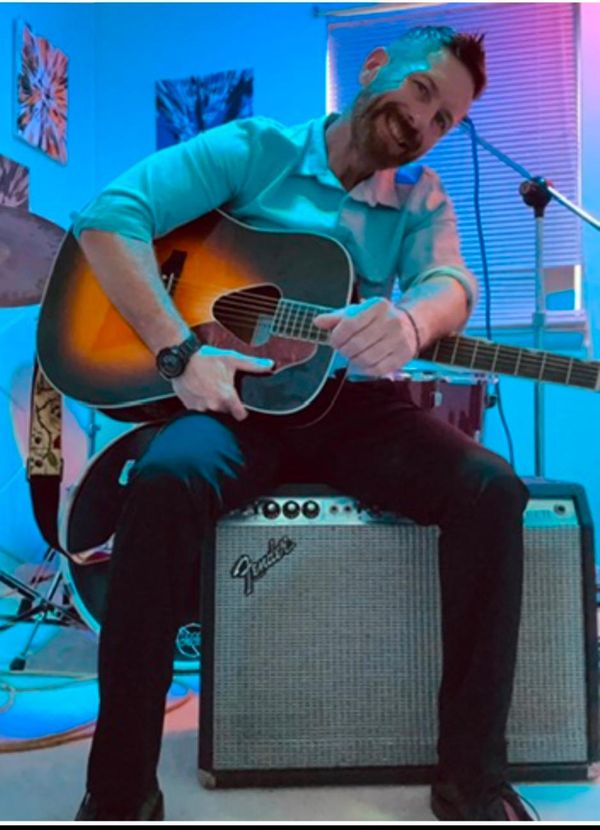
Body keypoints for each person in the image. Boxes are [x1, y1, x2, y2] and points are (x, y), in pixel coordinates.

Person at [69, 25, 535, 822]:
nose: (422, 123)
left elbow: (451, 282)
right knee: (165, 482)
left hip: (353, 408)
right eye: (422, 91)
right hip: (236, 403)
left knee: (493, 491)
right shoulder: (258, 150)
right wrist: (180, 354)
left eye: (444, 120)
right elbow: (110, 219)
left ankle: (472, 781)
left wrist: (412, 322)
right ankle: (119, 795)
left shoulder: (418, 196)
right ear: (375, 67)